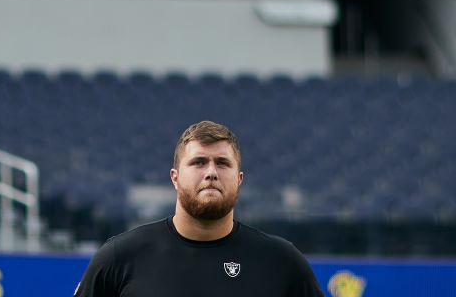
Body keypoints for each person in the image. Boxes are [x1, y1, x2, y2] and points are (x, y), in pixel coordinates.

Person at [74, 120, 325, 297]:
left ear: (239, 179)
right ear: (174, 177)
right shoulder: (120, 257)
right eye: (199, 162)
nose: (211, 173)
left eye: (223, 163)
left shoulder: (281, 262)